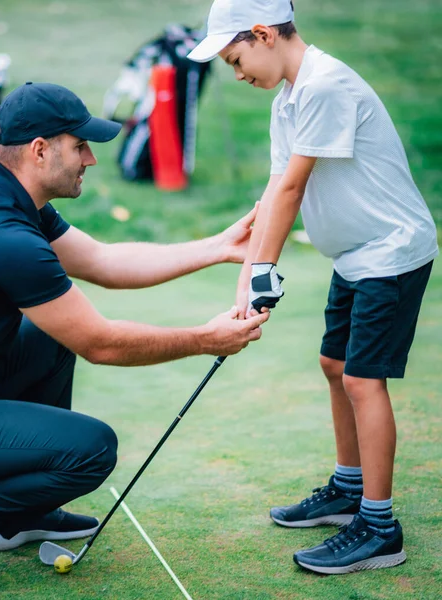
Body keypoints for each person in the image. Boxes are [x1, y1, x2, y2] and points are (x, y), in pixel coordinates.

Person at [0, 81, 269, 600]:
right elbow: (102, 343)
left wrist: (217, 245)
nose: (90, 158)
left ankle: (16, 518)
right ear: (40, 150)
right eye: (80, 145)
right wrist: (206, 339)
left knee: (45, 339)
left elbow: (104, 262)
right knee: (91, 451)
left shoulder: (6, 197)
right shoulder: (3, 234)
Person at [188, 0, 438, 576]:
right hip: (355, 255)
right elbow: (275, 190)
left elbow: (294, 188)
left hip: (390, 251)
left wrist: (261, 275)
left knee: (360, 378)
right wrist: (249, 277)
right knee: (334, 364)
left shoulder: (325, 85)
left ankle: (380, 527)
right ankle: (350, 488)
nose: (237, 72)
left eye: (235, 58)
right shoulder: (288, 100)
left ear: (262, 33)